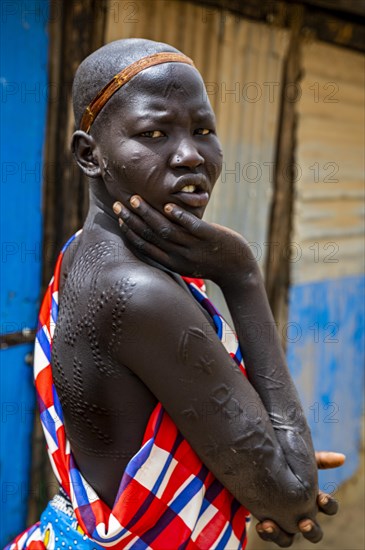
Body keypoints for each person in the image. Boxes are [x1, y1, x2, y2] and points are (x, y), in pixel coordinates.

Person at [6, 38, 345, 550]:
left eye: (203, 130)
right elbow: (292, 496)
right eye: (154, 132)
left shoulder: (85, 255)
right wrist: (243, 278)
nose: (190, 155)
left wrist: (254, 461)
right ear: (89, 154)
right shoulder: (137, 292)